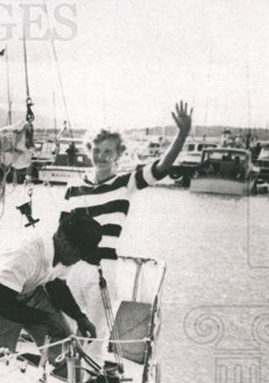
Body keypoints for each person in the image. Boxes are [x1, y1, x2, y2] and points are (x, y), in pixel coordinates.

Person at [59, 101, 192, 363]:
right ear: (89, 151)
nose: (101, 156)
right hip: (72, 269)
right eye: (96, 150)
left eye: (108, 151)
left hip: (102, 270)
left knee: (95, 337)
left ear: (119, 154)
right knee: (64, 331)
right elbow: (60, 234)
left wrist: (182, 134)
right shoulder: (74, 186)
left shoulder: (125, 183)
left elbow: (160, 169)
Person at [0, 209, 102, 357]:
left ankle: (66, 374)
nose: (79, 260)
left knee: (68, 351)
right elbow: (1, 304)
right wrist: (46, 318)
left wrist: (80, 317)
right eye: (79, 254)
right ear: (62, 239)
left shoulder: (67, 252)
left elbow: (56, 285)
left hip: (31, 290)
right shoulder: (25, 253)